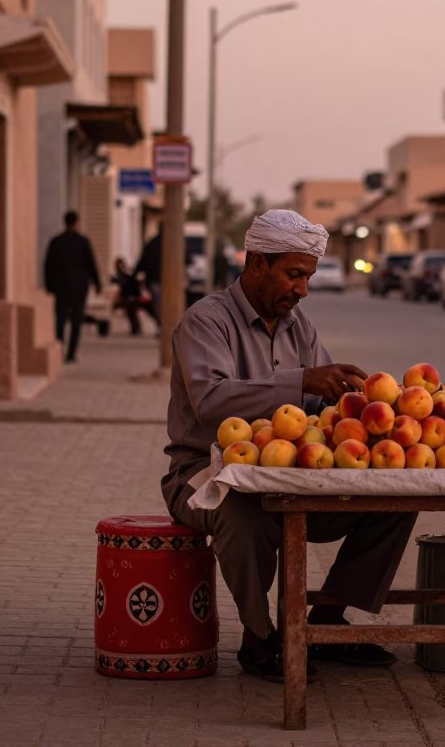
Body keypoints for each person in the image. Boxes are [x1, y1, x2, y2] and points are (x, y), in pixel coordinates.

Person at [161, 209, 415, 681]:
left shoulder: (300, 326)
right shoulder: (206, 321)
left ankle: (327, 623)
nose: (302, 290)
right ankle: (259, 637)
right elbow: (212, 401)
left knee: (395, 499)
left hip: (292, 469)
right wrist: (302, 381)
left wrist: (365, 411)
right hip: (204, 470)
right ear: (257, 264)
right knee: (242, 511)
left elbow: (321, 405)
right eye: (294, 275)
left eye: (308, 277)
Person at [44, 210, 101, 363]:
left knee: (60, 319)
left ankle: (60, 348)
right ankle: (71, 353)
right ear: (76, 223)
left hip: (60, 287)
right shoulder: (83, 242)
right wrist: (97, 283)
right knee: (76, 320)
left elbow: (48, 266)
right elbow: (91, 264)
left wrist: (49, 286)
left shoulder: (56, 242)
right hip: (78, 287)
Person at [134, 227, 162, 326]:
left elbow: (142, 261)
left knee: (158, 305)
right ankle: (164, 325)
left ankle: (162, 325)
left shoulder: (152, 243)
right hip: (160, 280)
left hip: (154, 279)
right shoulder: (174, 244)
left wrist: (135, 273)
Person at [112, 257, 143, 335]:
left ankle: (136, 329)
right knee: (131, 312)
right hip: (128, 295)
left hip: (131, 295)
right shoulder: (120, 275)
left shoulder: (126, 274)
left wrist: (133, 295)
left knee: (132, 312)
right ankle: (135, 329)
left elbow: (130, 284)